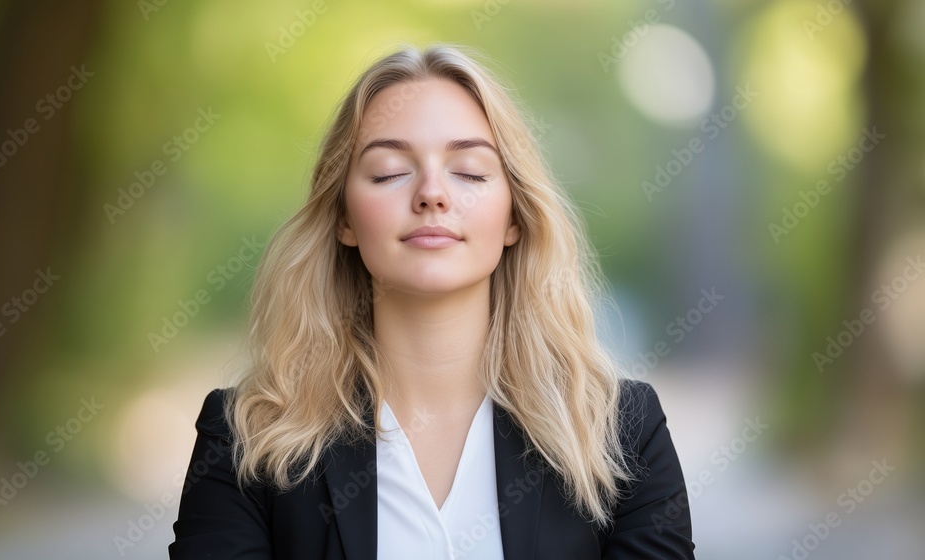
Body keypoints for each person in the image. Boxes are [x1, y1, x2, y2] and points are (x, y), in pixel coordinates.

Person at [169, 42, 694, 559]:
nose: (432, 194)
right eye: (390, 171)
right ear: (344, 218)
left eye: (468, 171)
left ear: (514, 217)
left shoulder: (621, 433)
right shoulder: (247, 440)